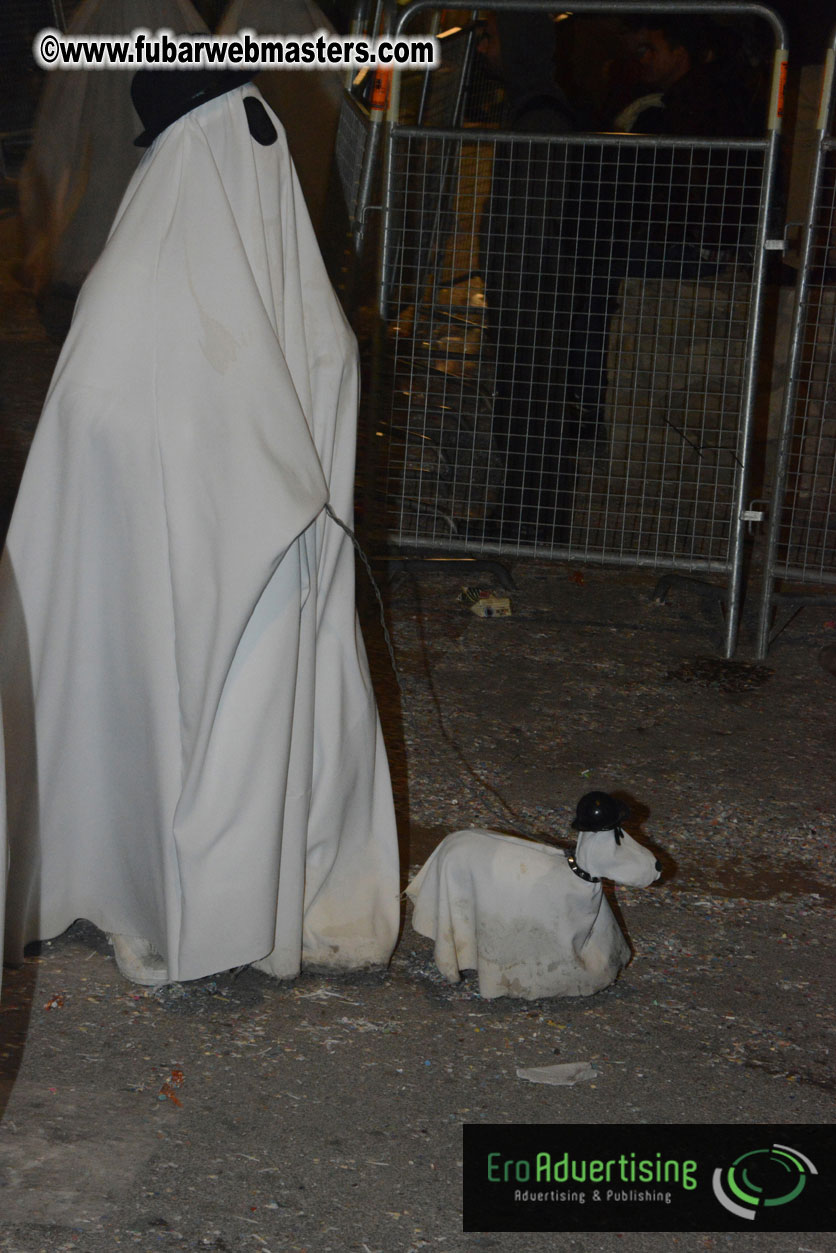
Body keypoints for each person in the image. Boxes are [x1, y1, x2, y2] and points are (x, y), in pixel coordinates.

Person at [1, 68, 400, 986]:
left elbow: (315, 378)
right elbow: (103, 423)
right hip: (170, 586)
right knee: (184, 734)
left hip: (273, 581)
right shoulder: (141, 278)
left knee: (252, 740)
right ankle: (168, 896)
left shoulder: (276, 266)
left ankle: (238, 901)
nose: (266, 162)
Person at [566, 15, 763, 439]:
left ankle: (584, 400)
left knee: (593, 269)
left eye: (649, 50)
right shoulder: (685, 97)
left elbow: (679, 188)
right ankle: (583, 395)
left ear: (680, 53)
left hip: (700, 245)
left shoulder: (694, 103)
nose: (642, 60)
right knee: (594, 264)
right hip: (696, 238)